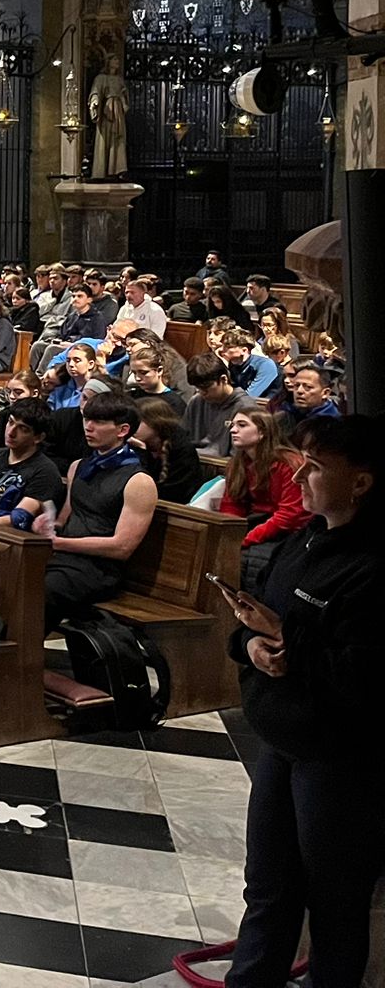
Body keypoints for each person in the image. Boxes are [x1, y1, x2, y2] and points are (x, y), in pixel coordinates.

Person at [223, 415, 385, 988]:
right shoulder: (301, 541)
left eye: (316, 466)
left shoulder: (373, 566)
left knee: (336, 902)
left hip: (341, 759)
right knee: (267, 887)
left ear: (360, 483)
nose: (301, 474)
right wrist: (253, 645)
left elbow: (363, 677)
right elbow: (249, 627)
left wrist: (288, 644)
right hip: (281, 742)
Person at [40, 392, 160, 627]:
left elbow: (121, 547)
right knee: (9, 579)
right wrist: (47, 525)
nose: (88, 427)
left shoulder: (139, 481)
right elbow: (66, 517)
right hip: (62, 556)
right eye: (87, 419)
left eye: (99, 422)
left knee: (40, 592)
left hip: (97, 570)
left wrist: (59, 543)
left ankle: (22, 658)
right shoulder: (78, 467)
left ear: (123, 430)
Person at [222, 408, 308, 589]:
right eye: (232, 425)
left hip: (290, 530)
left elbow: (290, 515)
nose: (233, 430)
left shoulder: (288, 463)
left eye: (242, 425)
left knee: (255, 560)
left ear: (262, 432)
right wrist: (230, 536)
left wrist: (247, 538)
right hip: (258, 522)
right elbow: (231, 505)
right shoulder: (237, 464)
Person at [184, 351, 264, 454]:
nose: (201, 393)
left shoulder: (245, 407)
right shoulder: (196, 401)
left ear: (223, 379)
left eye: (206, 388)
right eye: (198, 388)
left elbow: (240, 456)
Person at [282, 363, 341, 436]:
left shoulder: (331, 424)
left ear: (325, 393)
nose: (299, 391)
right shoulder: (287, 413)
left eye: (308, 387)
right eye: (296, 385)